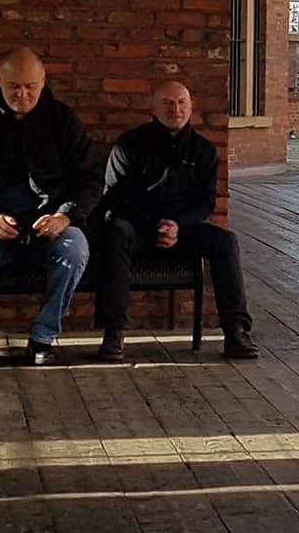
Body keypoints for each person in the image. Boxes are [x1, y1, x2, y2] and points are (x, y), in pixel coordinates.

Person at [0, 48, 100, 366]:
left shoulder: (62, 120)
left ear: (43, 82)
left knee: (75, 248)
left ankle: (43, 337)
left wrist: (66, 215)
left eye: (31, 86)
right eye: (14, 86)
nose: (22, 94)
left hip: (50, 225)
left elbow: (89, 178)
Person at [92, 80, 259, 360]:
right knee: (115, 232)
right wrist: (153, 225)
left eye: (182, 103)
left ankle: (235, 332)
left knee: (225, 241)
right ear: (153, 108)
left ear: (191, 107)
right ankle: (113, 333)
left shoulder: (203, 150)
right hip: (138, 228)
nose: (176, 109)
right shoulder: (130, 144)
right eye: (167, 103)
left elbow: (205, 202)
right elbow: (115, 197)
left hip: (183, 229)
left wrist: (177, 225)